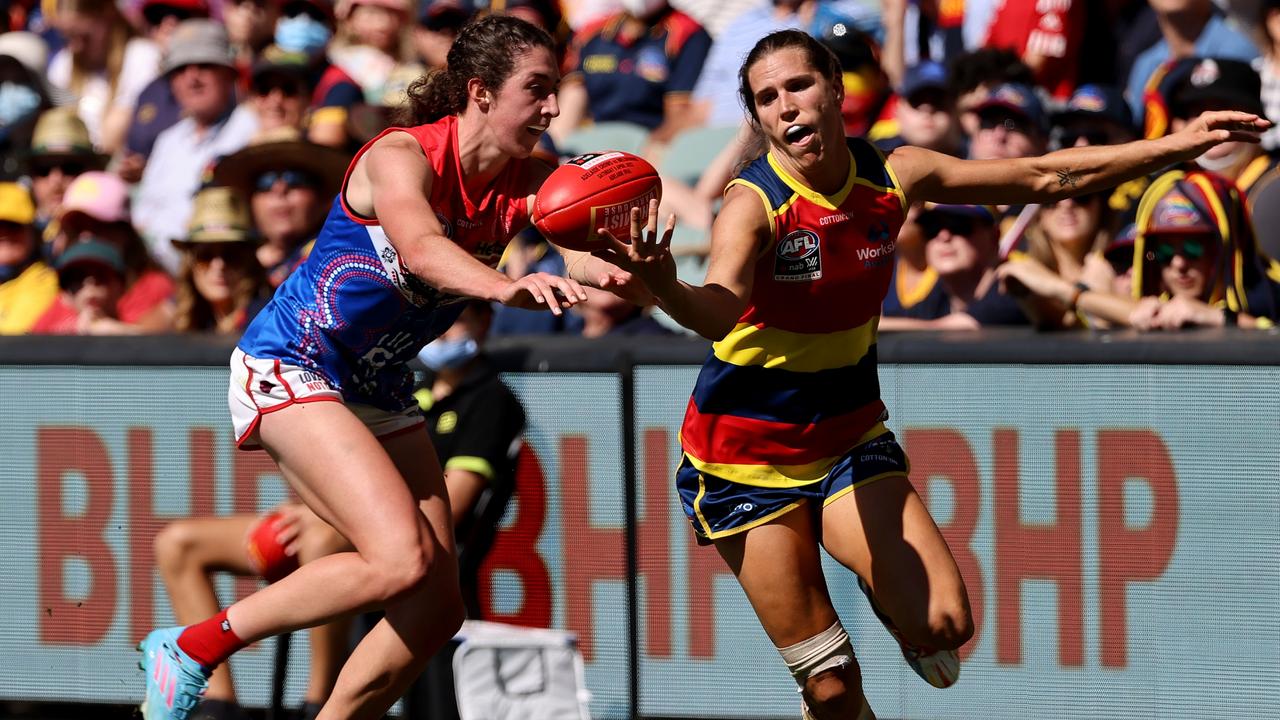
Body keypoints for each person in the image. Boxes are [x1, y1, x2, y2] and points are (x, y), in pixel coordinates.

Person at [588, 29, 1267, 719]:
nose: (787, 106)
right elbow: (718, 312)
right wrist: (665, 284)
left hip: (848, 438)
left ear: (835, 87)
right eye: (767, 98)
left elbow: (1043, 176)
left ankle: (895, 629)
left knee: (946, 627)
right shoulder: (753, 204)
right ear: (758, 119)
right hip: (743, 462)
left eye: (798, 85)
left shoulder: (896, 173)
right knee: (831, 684)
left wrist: (1176, 146)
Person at [135, 15, 612, 720]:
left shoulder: (531, 180)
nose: (552, 108)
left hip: (376, 385)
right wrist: (504, 285)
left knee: (435, 606)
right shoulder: (402, 156)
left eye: (557, 90)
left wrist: (640, 266)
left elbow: (585, 256)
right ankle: (194, 646)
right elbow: (420, 247)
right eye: (536, 89)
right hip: (293, 361)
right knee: (398, 561)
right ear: (479, 92)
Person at [171, 187, 271, 334]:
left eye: (231, 255)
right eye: (205, 256)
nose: (219, 265)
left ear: (249, 262)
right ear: (190, 265)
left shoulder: (268, 320)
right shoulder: (194, 320)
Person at [0, 182, 58, 334]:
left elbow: (12, 340)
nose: (3, 233)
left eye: (13, 226)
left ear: (33, 233)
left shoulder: (44, 282)